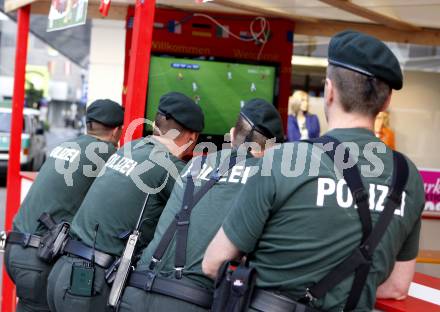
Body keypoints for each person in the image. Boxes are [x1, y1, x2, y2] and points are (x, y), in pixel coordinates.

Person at [203, 31, 425, 312]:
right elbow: (396, 287)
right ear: (386, 102)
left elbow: (213, 263)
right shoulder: (408, 178)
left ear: (329, 91)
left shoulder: (284, 159)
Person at [117, 98, 284, 312]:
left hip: (135, 291)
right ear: (272, 149)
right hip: (190, 301)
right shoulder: (268, 177)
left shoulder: (196, 164)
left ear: (232, 134)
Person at [46, 92, 205, 312]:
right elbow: (202, 211)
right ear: (192, 137)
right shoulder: (168, 166)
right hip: (90, 285)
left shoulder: (129, 149)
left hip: (63, 271)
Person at [4, 99, 124, 312]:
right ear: (116, 131)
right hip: (40, 256)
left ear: (88, 124)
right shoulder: (105, 153)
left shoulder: (65, 146)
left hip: (16, 249)